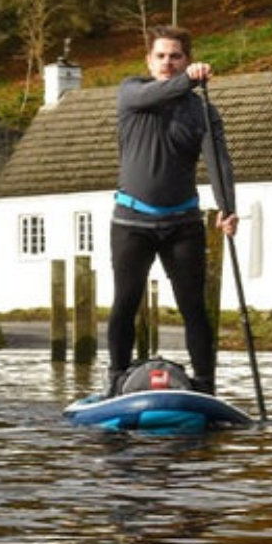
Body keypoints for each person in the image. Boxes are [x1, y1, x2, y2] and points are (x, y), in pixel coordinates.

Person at [107, 24, 238, 396]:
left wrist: (228, 209)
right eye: (161, 56)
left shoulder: (203, 112)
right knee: (126, 301)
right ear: (149, 61)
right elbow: (165, 90)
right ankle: (116, 380)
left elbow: (219, 163)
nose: (168, 62)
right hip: (132, 222)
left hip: (183, 223)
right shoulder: (131, 93)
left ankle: (205, 386)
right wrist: (191, 81)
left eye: (176, 56)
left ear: (187, 61)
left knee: (193, 307)